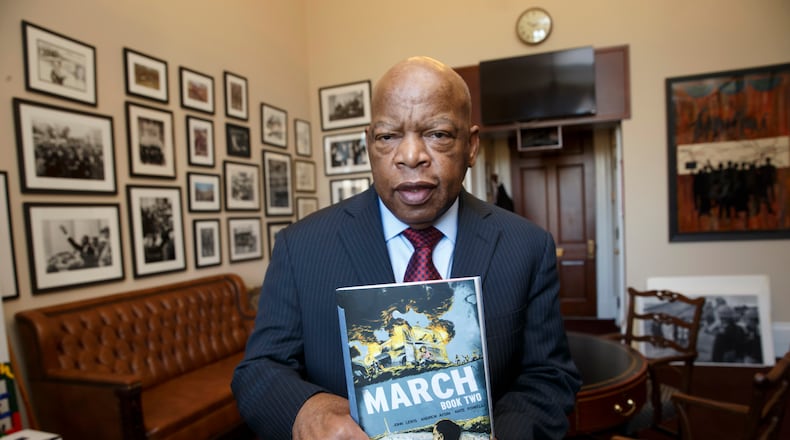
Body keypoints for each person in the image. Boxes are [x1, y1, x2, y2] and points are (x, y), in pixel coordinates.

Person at [232, 56, 581, 440]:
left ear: (471, 145)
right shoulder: (301, 247)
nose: (411, 155)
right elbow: (260, 368)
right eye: (388, 137)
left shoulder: (527, 246)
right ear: (369, 145)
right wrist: (306, 410)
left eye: (438, 134)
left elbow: (548, 377)